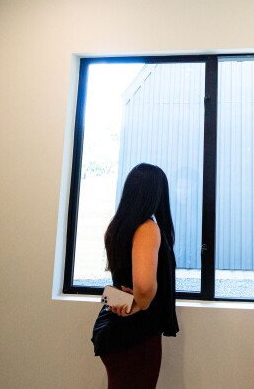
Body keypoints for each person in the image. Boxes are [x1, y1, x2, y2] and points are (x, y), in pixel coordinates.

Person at [91, 163, 179, 389]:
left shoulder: (117, 226)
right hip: (135, 336)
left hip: (115, 328)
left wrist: (131, 300)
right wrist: (141, 302)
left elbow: (119, 284)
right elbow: (143, 286)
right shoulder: (147, 228)